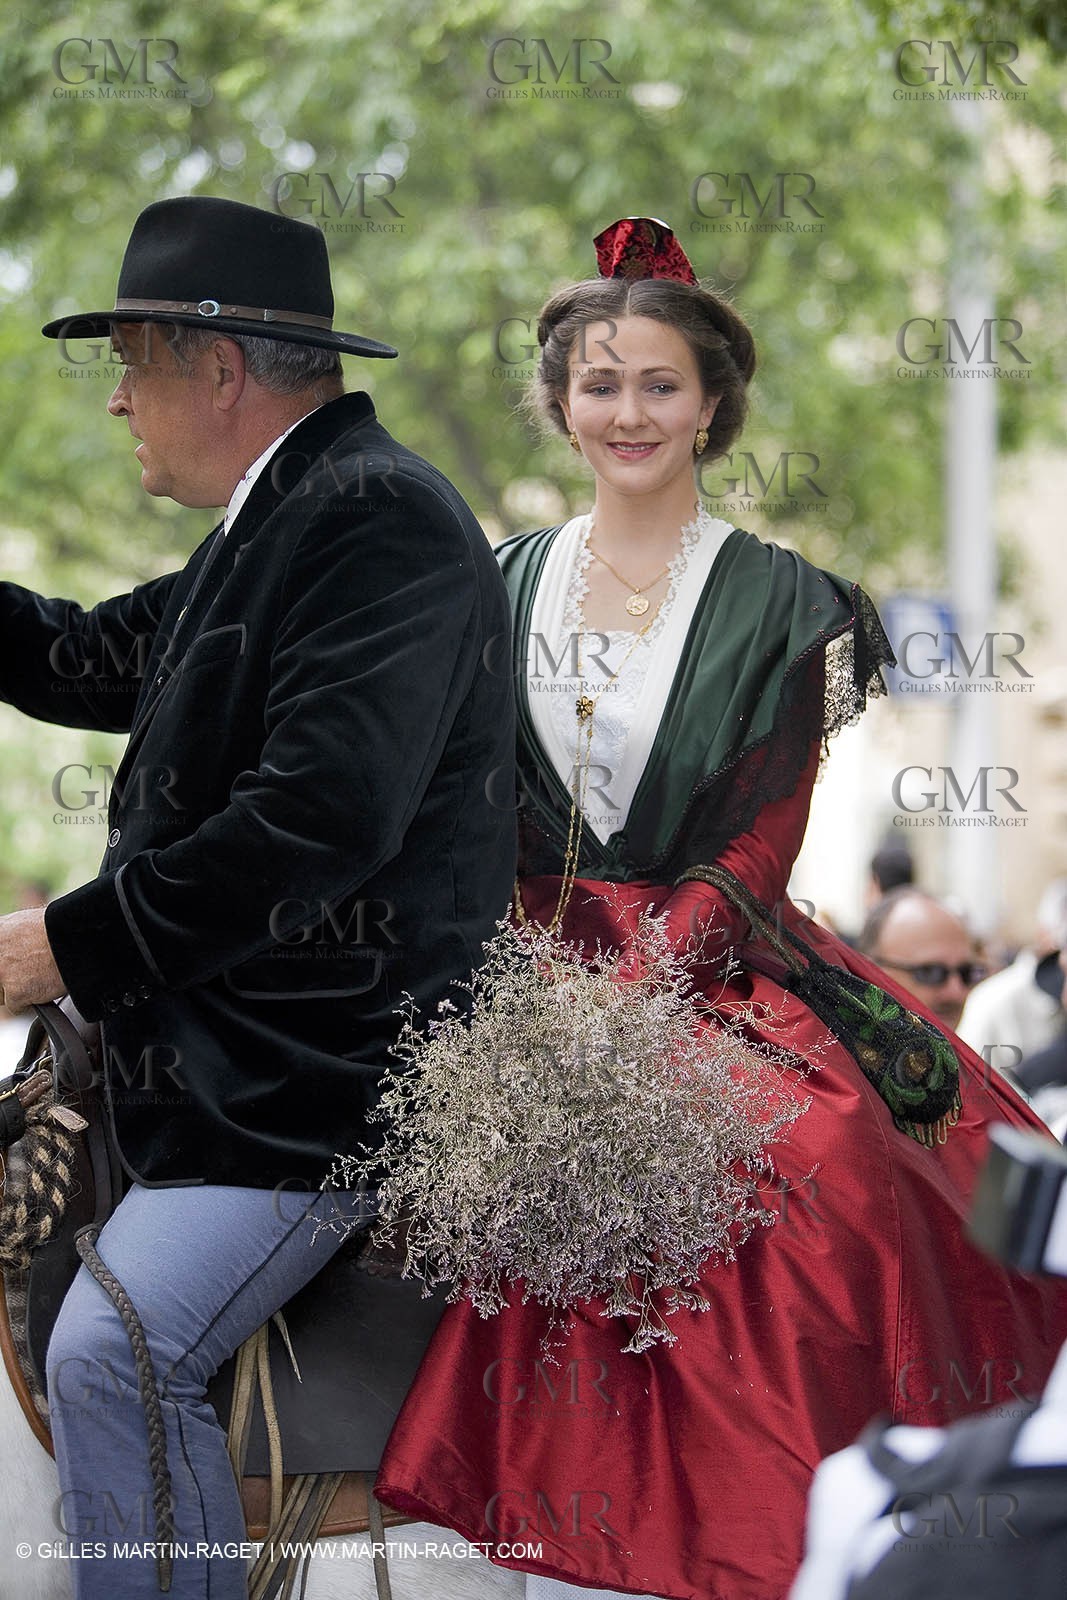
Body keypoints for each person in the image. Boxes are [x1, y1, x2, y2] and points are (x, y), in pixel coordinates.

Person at [371, 218, 1067, 1600]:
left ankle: (828, 1533)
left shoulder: (796, 606)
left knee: (835, 1175)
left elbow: (760, 840)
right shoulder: (486, 583)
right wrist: (521, 977)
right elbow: (449, 804)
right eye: (598, 384)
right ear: (558, 398)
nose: (626, 413)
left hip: (711, 960)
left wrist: (631, 1003)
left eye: (658, 385)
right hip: (513, 960)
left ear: (710, 404)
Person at [0, 196, 516, 1599]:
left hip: (313, 1087)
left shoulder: (378, 521)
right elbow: (76, 659)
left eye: (131, 364)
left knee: (115, 1347)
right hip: (234, 1065)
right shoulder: (286, 512)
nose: (116, 402)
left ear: (215, 368)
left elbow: (312, 828)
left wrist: (51, 952)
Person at [857, 886, 985, 1032]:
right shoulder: (833, 1050)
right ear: (868, 972)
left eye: (966, 973)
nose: (955, 992)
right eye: (931, 972)